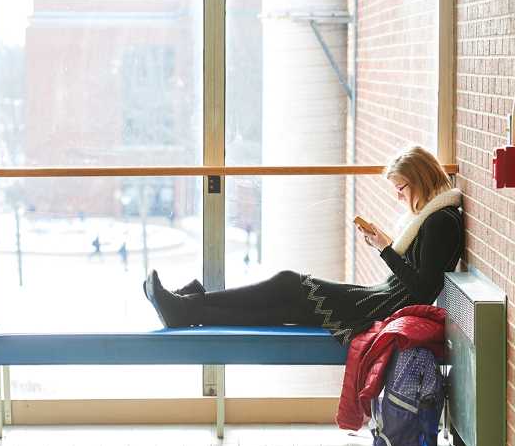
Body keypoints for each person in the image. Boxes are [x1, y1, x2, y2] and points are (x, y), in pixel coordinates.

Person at [143, 145, 464, 345]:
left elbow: (422, 290)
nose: (399, 196)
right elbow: (419, 277)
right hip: (379, 299)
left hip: (379, 308)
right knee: (284, 307)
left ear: (420, 180)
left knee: (288, 284)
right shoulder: (434, 217)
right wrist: (387, 247)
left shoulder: (440, 221)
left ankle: (189, 305)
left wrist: (385, 249)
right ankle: (187, 308)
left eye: (401, 188)